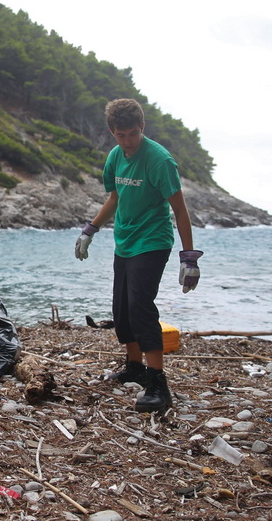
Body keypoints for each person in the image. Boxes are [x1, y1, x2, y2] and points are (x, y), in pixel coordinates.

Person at [74, 98, 202, 413]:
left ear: (142, 127)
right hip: (125, 241)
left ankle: (158, 384)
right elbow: (115, 197)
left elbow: (180, 210)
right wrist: (91, 229)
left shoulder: (159, 160)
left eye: (133, 133)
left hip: (153, 240)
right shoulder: (116, 157)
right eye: (122, 135)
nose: (128, 141)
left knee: (140, 306)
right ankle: (135, 367)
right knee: (122, 308)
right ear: (112, 132)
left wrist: (189, 257)